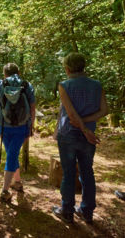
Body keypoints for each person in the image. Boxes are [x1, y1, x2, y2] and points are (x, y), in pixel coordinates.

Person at [52, 52, 108, 224]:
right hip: (88, 137)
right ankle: (87, 211)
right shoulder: (97, 85)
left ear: (67, 69)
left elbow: (70, 114)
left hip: (69, 135)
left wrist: (81, 125)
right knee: (87, 172)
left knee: (69, 173)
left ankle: (67, 211)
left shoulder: (64, 85)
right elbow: (104, 110)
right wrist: (86, 127)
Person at [0, 63, 36, 203]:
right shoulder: (27, 85)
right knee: (12, 153)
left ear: (5, 74)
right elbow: (32, 108)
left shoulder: (1, 84)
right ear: (19, 72)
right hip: (21, 126)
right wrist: (30, 126)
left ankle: (5, 191)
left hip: (4, 125)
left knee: (11, 154)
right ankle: (17, 182)